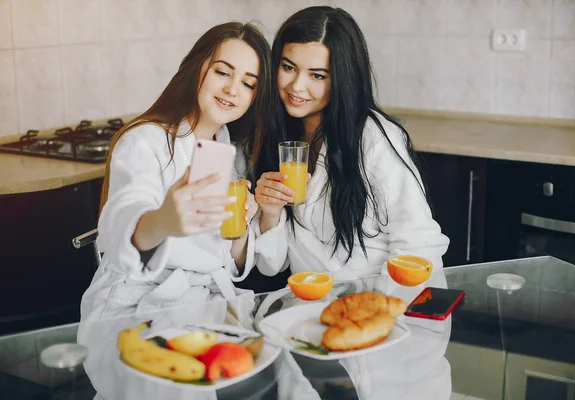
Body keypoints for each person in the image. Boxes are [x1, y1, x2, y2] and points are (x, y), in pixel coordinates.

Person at [80, 21, 272, 323]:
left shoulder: (232, 153)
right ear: (197, 69)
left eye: (248, 83)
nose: (232, 89)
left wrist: (242, 226)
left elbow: (228, 261)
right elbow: (122, 216)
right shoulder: (145, 141)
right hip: (134, 306)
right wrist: (161, 221)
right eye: (222, 72)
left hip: (207, 303)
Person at [251, 6, 450, 283]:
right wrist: (270, 214)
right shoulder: (277, 136)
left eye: (317, 75)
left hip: (379, 302)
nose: (297, 86)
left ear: (342, 79)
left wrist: (381, 313)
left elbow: (418, 242)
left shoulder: (374, 138)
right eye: (288, 67)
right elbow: (272, 265)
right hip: (311, 303)